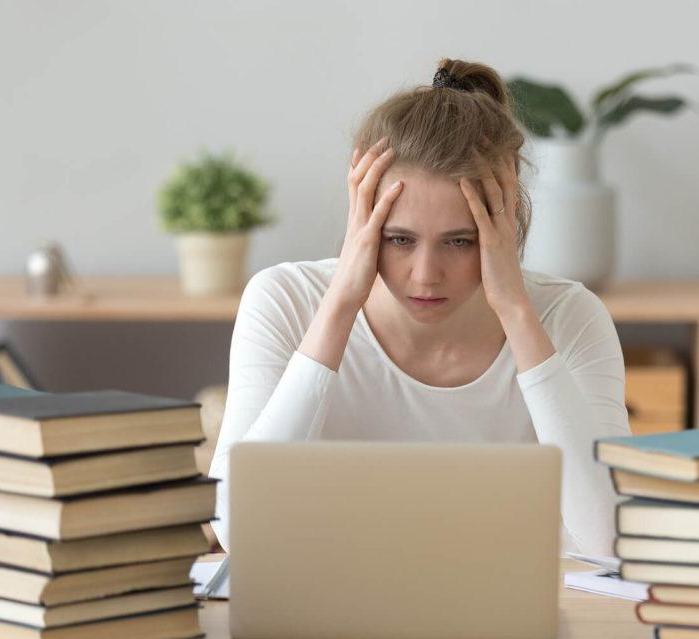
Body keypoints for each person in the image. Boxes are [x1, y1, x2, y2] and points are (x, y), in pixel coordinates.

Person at [208, 58, 631, 557]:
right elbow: (234, 529)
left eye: (459, 241)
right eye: (399, 239)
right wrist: (341, 302)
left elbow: (609, 538)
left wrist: (517, 311)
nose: (426, 275)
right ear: (361, 215)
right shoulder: (284, 301)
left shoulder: (570, 318)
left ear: (505, 218)